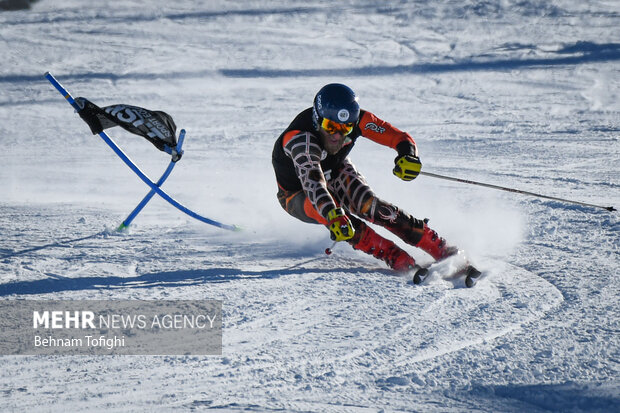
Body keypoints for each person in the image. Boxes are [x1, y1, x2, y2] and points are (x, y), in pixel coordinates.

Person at [272, 83, 457, 272]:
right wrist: (331, 212)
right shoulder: (300, 139)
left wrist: (407, 155)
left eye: (346, 128)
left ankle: (439, 247)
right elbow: (313, 182)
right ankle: (392, 255)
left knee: (372, 206)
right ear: (316, 118)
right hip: (297, 194)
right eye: (330, 126)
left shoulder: (360, 121)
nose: (337, 135)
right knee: (340, 220)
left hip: (335, 170)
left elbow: (397, 137)